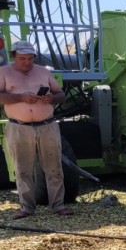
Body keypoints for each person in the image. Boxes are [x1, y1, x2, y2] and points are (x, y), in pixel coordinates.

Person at [0, 40, 72, 219]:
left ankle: (58, 205)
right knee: (23, 169)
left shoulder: (43, 71)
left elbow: (61, 94)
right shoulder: (4, 72)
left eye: (30, 58)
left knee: (54, 167)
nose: (27, 62)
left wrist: (51, 99)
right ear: (13, 56)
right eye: (22, 58)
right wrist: (20, 97)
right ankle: (26, 207)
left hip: (47, 125)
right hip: (19, 126)